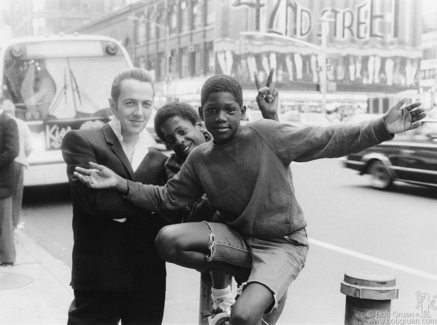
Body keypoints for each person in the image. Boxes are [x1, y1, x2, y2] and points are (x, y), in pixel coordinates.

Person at [75, 75, 426, 325]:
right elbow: (167, 199)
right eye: (213, 111)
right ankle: (253, 277)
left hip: (284, 244)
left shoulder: (266, 133)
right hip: (241, 241)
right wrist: (121, 183)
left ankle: (260, 284)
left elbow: (328, 138)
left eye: (230, 110)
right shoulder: (200, 158)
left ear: (243, 113)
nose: (221, 118)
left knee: (243, 316)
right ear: (204, 114)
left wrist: (383, 126)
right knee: (167, 240)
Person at [152, 71, 277, 316]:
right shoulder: (177, 165)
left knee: (266, 304)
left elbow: (272, 151)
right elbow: (189, 211)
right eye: (170, 139)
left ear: (200, 124)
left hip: (257, 233)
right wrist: (216, 189)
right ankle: (222, 295)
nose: (178, 141)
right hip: (215, 236)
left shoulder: (231, 137)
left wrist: (270, 114)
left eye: (181, 131)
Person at [61, 68, 169, 325]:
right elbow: (98, 203)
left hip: (147, 275)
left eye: (146, 104)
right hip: (99, 273)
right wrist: (155, 202)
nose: (138, 112)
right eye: (130, 103)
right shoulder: (83, 142)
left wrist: (157, 203)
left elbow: (173, 208)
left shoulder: (159, 158)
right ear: (113, 105)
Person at [3, 99, 32, 229]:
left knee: (6, 196)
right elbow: (29, 146)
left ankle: (7, 225)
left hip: (6, 164)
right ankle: (14, 224)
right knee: (17, 196)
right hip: (19, 162)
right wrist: (24, 157)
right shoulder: (21, 123)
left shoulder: (3, 123)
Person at [0, 99, 19, 266]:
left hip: (4, 181)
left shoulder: (8, 122)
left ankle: (7, 257)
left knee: (5, 222)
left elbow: (13, 151)